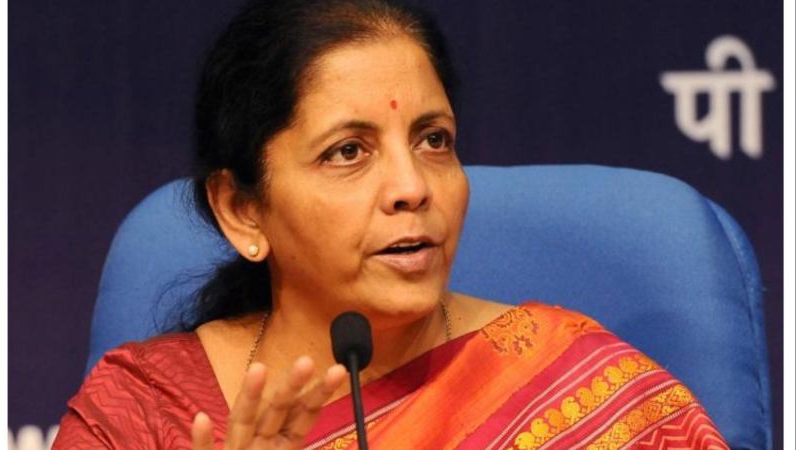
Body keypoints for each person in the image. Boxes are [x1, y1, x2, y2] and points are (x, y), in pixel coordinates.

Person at [52, 0, 730, 448]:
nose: (412, 188)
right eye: (348, 152)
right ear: (242, 210)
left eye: (434, 141)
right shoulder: (143, 415)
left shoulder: (578, 388)